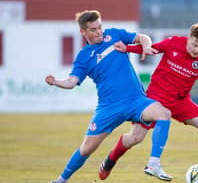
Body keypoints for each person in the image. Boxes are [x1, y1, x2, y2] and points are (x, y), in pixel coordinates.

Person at [45, 10, 171, 183]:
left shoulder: (114, 35)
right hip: (109, 108)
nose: (98, 32)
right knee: (87, 149)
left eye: (99, 27)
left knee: (164, 114)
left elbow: (142, 37)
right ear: (83, 32)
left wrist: (147, 45)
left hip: (136, 101)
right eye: (93, 29)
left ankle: (153, 164)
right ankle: (61, 180)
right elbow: (72, 81)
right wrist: (56, 82)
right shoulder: (84, 56)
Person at [114, 23, 198, 181]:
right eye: (194, 45)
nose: (197, 50)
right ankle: (111, 160)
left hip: (180, 102)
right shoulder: (173, 43)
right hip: (155, 99)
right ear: (188, 39)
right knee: (135, 138)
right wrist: (127, 48)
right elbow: (152, 49)